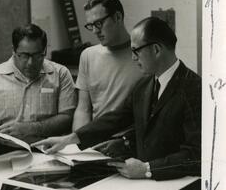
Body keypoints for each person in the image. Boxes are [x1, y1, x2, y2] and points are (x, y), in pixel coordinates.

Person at [32, 17, 201, 181]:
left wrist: (148, 169)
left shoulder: (194, 88)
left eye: (136, 51)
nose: (133, 58)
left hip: (177, 184)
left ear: (156, 49)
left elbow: (197, 154)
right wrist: (69, 139)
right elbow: (116, 118)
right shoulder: (144, 85)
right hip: (142, 182)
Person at [0, 23, 77, 155]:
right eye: (24, 55)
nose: (30, 63)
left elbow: (67, 118)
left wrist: (30, 128)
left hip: (50, 150)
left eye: (37, 55)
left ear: (44, 50)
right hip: (6, 151)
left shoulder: (61, 74)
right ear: (13, 50)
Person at [72, 0, 142, 130]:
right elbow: (83, 110)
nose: (95, 31)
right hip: (96, 142)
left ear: (118, 17)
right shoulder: (88, 56)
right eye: (90, 25)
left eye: (99, 23)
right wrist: (77, 144)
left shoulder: (142, 54)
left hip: (129, 143)